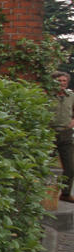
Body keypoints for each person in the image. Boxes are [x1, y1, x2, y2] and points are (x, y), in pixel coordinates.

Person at [51, 70, 74, 203]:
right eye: (59, 81)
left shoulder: (71, 96)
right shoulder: (47, 95)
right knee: (41, 165)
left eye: (64, 81)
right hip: (49, 133)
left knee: (70, 167)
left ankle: (65, 194)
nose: (62, 83)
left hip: (66, 134)